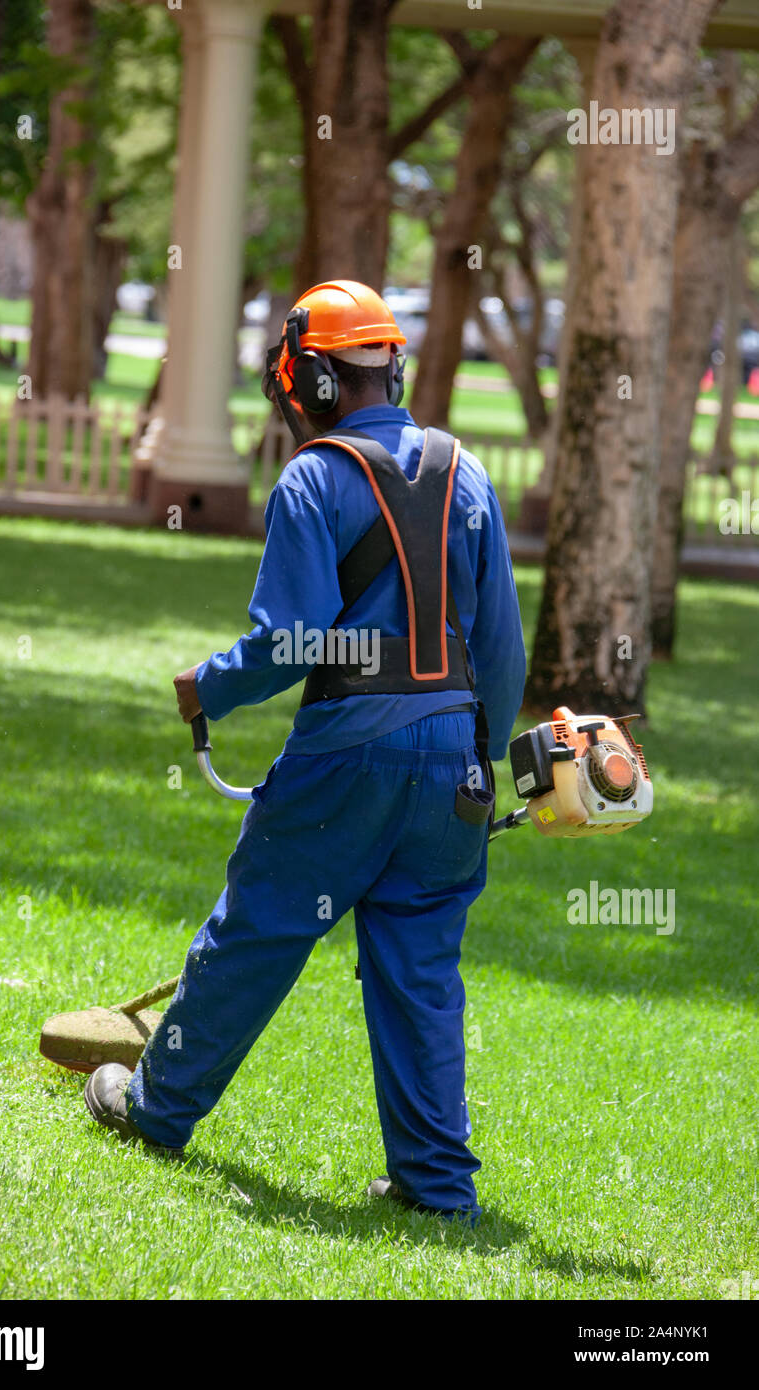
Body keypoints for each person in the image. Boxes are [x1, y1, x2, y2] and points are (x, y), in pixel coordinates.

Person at [85, 280, 526, 1222]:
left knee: (258, 929)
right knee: (419, 970)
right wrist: (480, 764)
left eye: (294, 388)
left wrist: (209, 686)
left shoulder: (315, 479)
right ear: (390, 368)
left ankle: (156, 1110)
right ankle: (436, 1187)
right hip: (455, 770)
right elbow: (500, 654)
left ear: (317, 381)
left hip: (346, 766)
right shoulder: (469, 475)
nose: (290, 406)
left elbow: (290, 640)